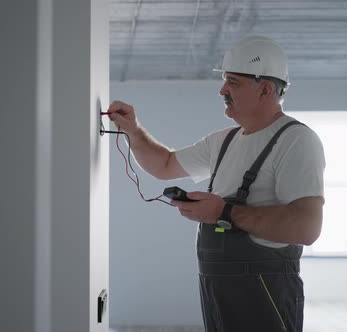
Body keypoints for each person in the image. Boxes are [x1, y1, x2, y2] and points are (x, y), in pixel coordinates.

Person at [107, 36, 325, 332]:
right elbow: (164, 165)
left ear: (265, 89)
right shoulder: (225, 140)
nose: (222, 90)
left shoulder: (296, 140)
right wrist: (133, 129)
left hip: (265, 288)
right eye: (225, 81)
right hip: (216, 285)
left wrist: (224, 213)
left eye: (233, 82)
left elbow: (306, 227)